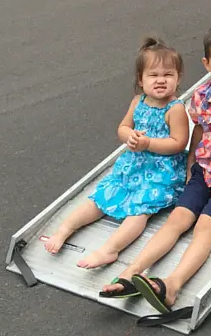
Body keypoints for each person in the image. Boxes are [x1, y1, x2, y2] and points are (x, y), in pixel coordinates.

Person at [101, 20, 211, 313]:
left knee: (204, 226)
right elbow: (199, 130)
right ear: (206, 63)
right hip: (205, 173)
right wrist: (190, 162)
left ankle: (172, 285)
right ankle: (131, 273)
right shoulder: (201, 96)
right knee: (177, 221)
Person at [44, 37, 188, 272]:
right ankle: (65, 229)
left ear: (178, 78)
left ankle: (110, 249)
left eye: (168, 75)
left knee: (141, 210)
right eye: (153, 75)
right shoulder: (137, 101)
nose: (161, 80)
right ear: (141, 80)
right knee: (102, 196)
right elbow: (122, 128)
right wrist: (129, 136)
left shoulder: (176, 109)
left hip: (161, 171)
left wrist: (148, 143)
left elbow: (179, 143)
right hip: (133, 164)